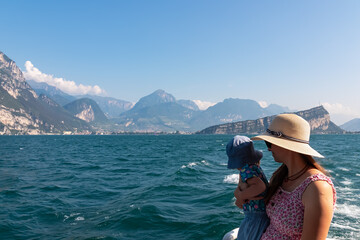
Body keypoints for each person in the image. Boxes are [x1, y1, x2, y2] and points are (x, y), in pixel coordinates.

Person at [243, 113, 337, 240]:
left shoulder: (317, 188)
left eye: (269, 143)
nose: (269, 149)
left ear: (286, 145)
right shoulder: (282, 176)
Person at [224, 135, 270, 240]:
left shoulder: (246, 170)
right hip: (257, 214)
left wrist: (241, 196)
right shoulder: (254, 168)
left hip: (256, 217)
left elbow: (260, 186)